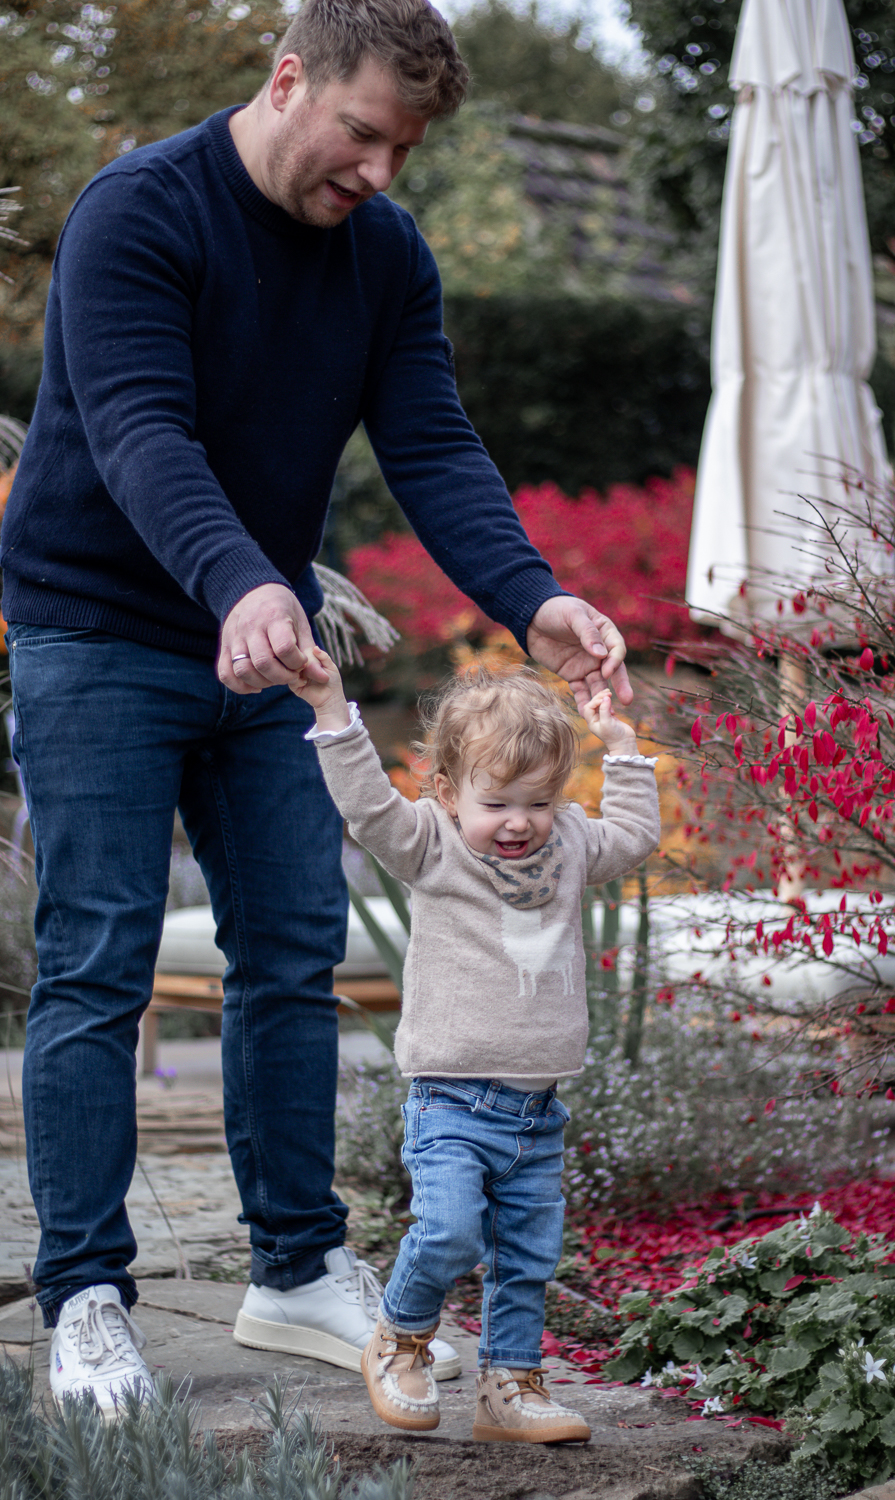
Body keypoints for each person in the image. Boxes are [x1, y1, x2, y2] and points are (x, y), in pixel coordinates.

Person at [1, 0, 636, 1418]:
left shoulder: (385, 254)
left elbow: (432, 441)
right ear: (289, 79)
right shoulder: (138, 212)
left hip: (274, 650)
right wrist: (239, 579)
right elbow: (140, 427)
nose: (380, 173)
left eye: (404, 149)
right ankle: (86, 1294)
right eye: (362, 135)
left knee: (292, 953)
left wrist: (532, 597)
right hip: (97, 632)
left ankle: (294, 1266)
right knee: (98, 960)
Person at [288, 653, 660, 1441]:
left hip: (537, 1111)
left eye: (539, 802)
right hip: (451, 1100)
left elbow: (634, 835)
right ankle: (400, 1338)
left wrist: (624, 751)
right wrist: (332, 712)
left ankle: (509, 1386)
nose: (519, 821)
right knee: (450, 1230)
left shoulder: (571, 845)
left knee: (528, 1257)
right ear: (448, 792)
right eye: (497, 803)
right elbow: (368, 807)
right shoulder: (431, 844)